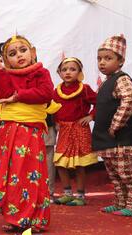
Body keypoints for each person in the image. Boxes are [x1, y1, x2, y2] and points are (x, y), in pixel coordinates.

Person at [0, 35, 56, 233]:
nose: (19, 55)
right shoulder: (7, 74)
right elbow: (1, 95)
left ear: (33, 52)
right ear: (6, 59)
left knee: (32, 174)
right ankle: (15, 217)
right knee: (13, 175)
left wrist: (18, 97)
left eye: (23, 50)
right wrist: (0, 70)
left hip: (31, 132)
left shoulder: (41, 73)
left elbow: (46, 93)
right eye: (12, 53)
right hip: (10, 133)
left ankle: (35, 219)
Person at [92, 35, 132, 217]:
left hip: (121, 139)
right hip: (108, 141)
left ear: (121, 60)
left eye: (108, 58)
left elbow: (130, 100)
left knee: (127, 174)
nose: (102, 62)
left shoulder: (121, 79)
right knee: (115, 175)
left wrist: (116, 125)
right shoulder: (107, 82)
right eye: (99, 59)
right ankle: (120, 202)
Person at [53, 57, 98, 206]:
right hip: (64, 130)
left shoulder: (84, 89)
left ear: (79, 72)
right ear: (59, 72)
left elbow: (98, 102)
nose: (68, 72)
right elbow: (52, 109)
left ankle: (80, 195)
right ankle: (67, 193)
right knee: (60, 163)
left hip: (79, 129)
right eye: (64, 69)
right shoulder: (57, 91)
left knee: (79, 164)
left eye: (73, 69)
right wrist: (56, 122)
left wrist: (91, 116)